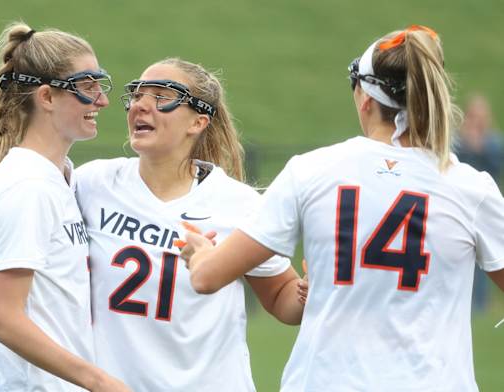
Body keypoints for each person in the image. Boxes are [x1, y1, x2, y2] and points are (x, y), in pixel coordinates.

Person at [180, 25, 504, 391]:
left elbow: (206, 277)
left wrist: (202, 252)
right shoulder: (470, 189)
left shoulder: (313, 170)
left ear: (365, 97)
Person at [74, 57, 305, 391]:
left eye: (161, 96)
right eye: (137, 95)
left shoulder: (237, 204)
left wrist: (309, 295)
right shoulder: (93, 183)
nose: (141, 105)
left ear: (198, 122)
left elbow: (281, 297)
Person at [0, 22, 130, 392]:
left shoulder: (59, 176)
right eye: (86, 86)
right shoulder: (29, 186)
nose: (102, 100)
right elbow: (5, 319)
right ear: (46, 97)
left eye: (101, 83)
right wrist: (100, 382)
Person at [455, 94, 504, 312]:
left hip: (484, 211)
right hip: (458, 209)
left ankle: (480, 305)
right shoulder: (457, 143)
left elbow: (496, 163)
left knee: (487, 257)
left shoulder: (493, 143)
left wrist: (479, 147)